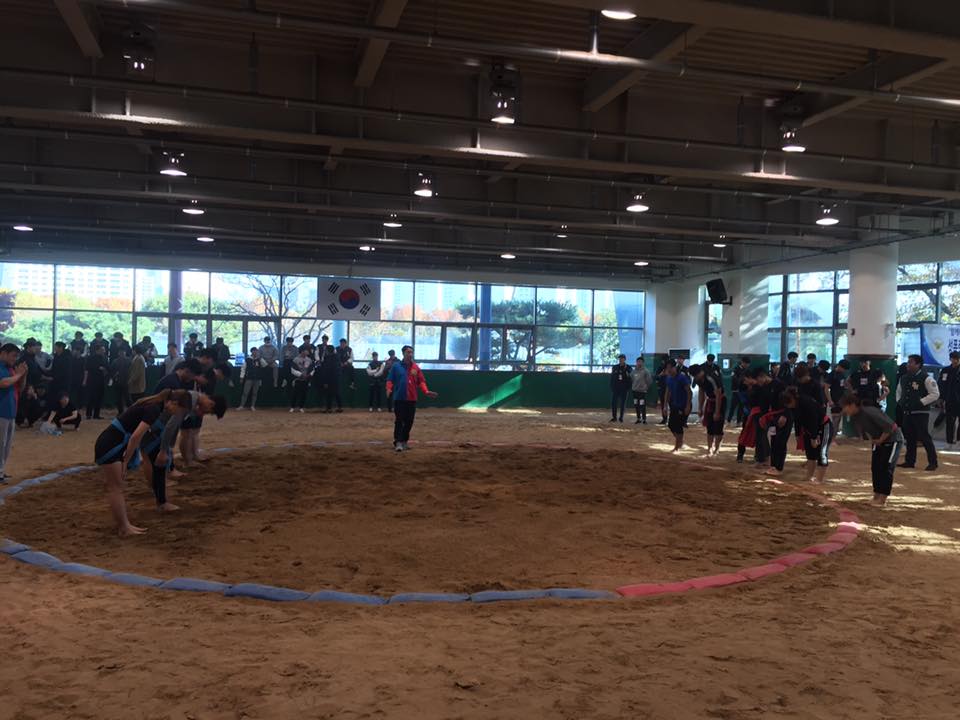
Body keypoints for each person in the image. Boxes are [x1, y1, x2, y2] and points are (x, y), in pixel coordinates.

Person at [140, 390, 224, 513]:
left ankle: (159, 497)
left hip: (152, 428)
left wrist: (168, 446)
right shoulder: (189, 401)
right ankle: (161, 502)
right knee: (157, 465)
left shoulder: (191, 399)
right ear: (211, 403)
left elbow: (173, 425)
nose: (204, 413)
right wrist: (164, 449)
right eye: (208, 411)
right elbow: (170, 426)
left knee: (154, 462)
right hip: (153, 430)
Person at [841, 392, 904, 506]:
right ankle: (876, 495)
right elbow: (867, 430)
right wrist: (874, 440)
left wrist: (880, 440)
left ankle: (882, 499)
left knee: (886, 468)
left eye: (845, 407)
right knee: (876, 468)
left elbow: (890, 427)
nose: (844, 410)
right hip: (878, 441)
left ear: (852, 405)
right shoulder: (856, 416)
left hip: (893, 439)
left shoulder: (869, 412)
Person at [386, 345, 438, 452]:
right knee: (399, 420)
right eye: (408, 352)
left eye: (411, 352)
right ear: (403, 353)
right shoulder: (396, 366)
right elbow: (390, 379)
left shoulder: (416, 368)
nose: (410, 354)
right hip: (399, 399)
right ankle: (398, 442)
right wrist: (389, 388)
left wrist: (426, 391)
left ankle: (404, 441)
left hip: (412, 399)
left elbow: (421, 381)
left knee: (409, 421)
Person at [896, 354, 939, 471]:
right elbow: (899, 392)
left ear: (918, 364)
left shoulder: (927, 378)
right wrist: (900, 401)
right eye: (908, 362)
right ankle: (909, 461)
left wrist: (921, 402)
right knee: (909, 437)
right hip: (907, 412)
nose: (908, 364)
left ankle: (933, 462)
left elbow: (935, 394)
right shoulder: (903, 378)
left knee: (924, 437)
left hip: (921, 413)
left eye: (911, 362)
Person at [782, 386, 832, 484]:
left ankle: (819, 479)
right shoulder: (793, 406)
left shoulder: (807, 402)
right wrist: (797, 434)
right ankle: (809, 476)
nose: (789, 407)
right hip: (808, 429)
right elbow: (796, 420)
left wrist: (814, 437)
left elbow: (813, 420)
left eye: (789, 404)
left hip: (823, 426)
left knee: (822, 452)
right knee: (810, 453)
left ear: (793, 399)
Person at [0, 344, 28, 484]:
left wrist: (23, 375)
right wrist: (18, 375)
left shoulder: (10, 369)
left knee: (6, 444)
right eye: (13, 356)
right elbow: (3, 383)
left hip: (10, 411)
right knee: (1, 444)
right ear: (4, 353)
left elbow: (20, 388)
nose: (15, 359)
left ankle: (1, 471)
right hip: (1, 411)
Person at [693, 363, 725, 456]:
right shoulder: (698, 379)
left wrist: (717, 412)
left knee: (718, 426)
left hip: (720, 400)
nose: (696, 377)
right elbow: (701, 392)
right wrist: (700, 408)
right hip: (710, 401)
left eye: (696, 375)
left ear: (700, 372)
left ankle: (717, 449)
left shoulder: (711, 377)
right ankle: (709, 448)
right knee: (709, 426)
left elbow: (718, 394)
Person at [663, 359, 691, 453]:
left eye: (670, 368)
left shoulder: (682, 378)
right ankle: (680, 442)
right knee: (671, 425)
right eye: (667, 368)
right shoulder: (668, 378)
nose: (669, 370)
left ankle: (677, 447)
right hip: (674, 405)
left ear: (675, 367)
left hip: (683, 405)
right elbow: (667, 392)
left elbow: (689, 392)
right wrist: (665, 406)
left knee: (678, 426)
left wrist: (687, 406)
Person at [938, 351, 960, 448]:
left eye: (957, 359)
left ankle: (958, 442)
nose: (956, 361)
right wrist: (941, 398)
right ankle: (949, 442)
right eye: (954, 359)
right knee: (949, 422)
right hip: (949, 400)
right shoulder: (945, 370)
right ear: (950, 359)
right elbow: (941, 384)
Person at [316, 335, 341, 413]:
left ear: (328, 351)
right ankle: (339, 407)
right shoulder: (337, 357)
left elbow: (326, 371)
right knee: (336, 393)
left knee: (328, 393)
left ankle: (329, 408)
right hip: (336, 378)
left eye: (326, 350)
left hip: (329, 378)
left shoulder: (327, 359)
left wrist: (325, 381)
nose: (325, 351)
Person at [83, 343, 109, 419]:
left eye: (104, 350)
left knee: (99, 398)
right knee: (91, 398)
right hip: (92, 380)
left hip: (101, 380)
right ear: (97, 350)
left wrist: (105, 370)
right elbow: (87, 370)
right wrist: (85, 380)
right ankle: (88, 414)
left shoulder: (104, 358)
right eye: (102, 350)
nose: (103, 351)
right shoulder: (90, 358)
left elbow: (108, 368)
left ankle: (96, 415)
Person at [826, 359, 850, 436]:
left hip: (841, 399)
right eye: (844, 369)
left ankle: (834, 436)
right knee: (835, 419)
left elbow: (843, 385)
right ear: (840, 366)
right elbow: (826, 388)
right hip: (834, 399)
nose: (844, 370)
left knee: (838, 418)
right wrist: (830, 400)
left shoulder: (842, 374)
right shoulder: (832, 375)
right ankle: (832, 437)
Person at [47, 341, 72, 410]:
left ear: (60, 348)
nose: (55, 348)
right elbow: (53, 368)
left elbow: (65, 371)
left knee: (62, 398)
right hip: (55, 381)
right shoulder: (56, 356)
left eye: (56, 347)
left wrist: (54, 378)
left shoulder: (67, 358)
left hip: (63, 382)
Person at [290, 347, 314, 413]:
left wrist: (308, 375)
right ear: (302, 351)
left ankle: (301, 407)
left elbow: (312, 369)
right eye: (306, 351)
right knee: (295, 394)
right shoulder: (295, 359)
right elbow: (293, 369)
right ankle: (292, 407)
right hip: (297, 379)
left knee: (304, 394)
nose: (307, 352)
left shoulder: (309, 360)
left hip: (306, 379)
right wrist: (300, 375)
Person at [727, 357, 751, 425]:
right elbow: (734, 379)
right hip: (736, 391)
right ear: (742, 362)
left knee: (741, 406)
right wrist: (742, 381)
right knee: (733, 406)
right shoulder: (735, 369)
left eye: (748, 364)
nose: (747, 365)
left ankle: (738, 421)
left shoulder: (748, 370)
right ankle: (728, 420)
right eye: (746, 363)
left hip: (744, 391)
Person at [110, 345, 132, 414]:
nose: (122, 353)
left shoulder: (129, 361)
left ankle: (131, 412)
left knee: (127, 399)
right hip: (117, 382)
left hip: (126, 382)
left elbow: (132, 371)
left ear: (125, 352)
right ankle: (120, 413)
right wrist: (114, 376)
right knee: (118, 399)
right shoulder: (115, 361)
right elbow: (111, 371)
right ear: (118, 353)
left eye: (123, 352)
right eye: (120, 352)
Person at [609, 354, 632, 423]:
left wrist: (628, 387)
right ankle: (614, 417)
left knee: (622, 403)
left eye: (622, 358)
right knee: (614, 403)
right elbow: (612, 377)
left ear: (625, 359)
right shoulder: (615, 367)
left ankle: (621, 417)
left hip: (624, 388)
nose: (620, 360)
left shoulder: (628, 368)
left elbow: (630, 378)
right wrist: (612, 386)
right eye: (619, 358)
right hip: (616, 388)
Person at [631, 356, 653, 424]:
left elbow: (649, 381)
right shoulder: (633, 371)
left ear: (643, 363)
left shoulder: (646, 371)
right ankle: (638, 418)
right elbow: (632, 379)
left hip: (642, 392)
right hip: (635, 391)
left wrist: (645, 387)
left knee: (642, 405)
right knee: (636, 405)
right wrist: (634, 386)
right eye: (638, 362)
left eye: (640, 362)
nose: (639, 363)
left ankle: (644, 419)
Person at [655, 359, 669, 425]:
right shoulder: (660, 368)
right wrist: (661, 374)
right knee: (663, 404)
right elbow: (656, 377)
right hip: (662, 388)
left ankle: (672, 419)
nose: (663, 362)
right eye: (663, 361)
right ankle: (664, 418)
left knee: (672, 404)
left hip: (670, 389)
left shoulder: (671, 368)